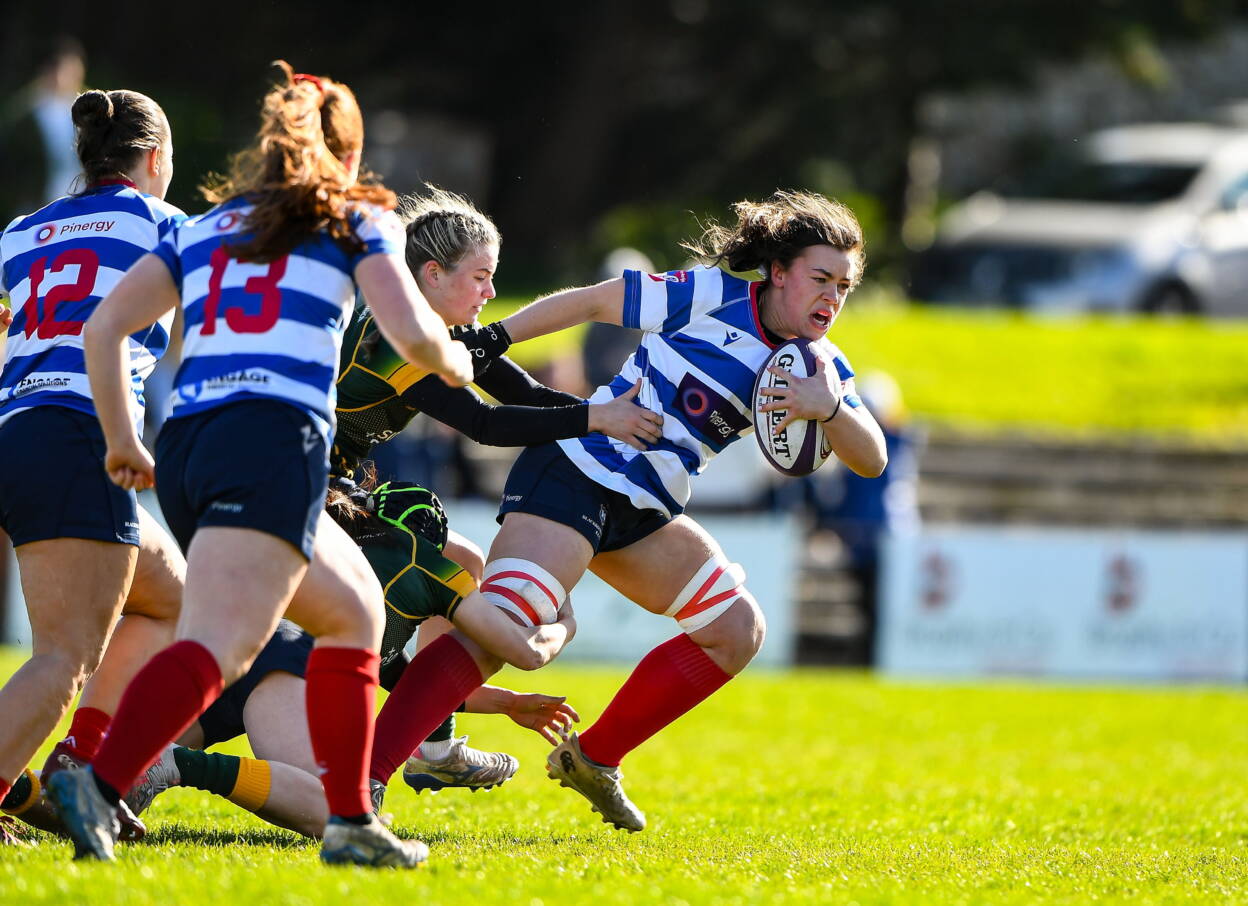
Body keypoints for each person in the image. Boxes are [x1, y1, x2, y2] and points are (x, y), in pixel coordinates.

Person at [46, 62, 474, 868]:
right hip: (271, 440)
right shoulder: (356, 216)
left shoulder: (204, 225)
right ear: (344, 155)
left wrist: (121, 440)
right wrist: (455, 364)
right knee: (219, 645)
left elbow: (103, 330)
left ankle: (350, 820)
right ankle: (95, 782)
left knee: (353, 613)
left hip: (191, 445)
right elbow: (414, 337)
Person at [372, 190, 888, 832]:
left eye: (844, 286)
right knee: (503, 623)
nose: (832, 298)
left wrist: (829, 407)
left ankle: (593, 759)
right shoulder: (712, 294)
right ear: (778, 271)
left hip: (647, 508)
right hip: (581, 468)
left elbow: (872, 458)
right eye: (821, 278)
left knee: (735, 632)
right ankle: (366, 778)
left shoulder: (822, 368)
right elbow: (593, 301)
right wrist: (491, 339)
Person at [329, 186, 661, 803]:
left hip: (339, 489)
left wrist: (614, 417)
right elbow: (484, 424)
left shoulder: (435, 326)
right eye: (481, 277)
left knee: (462, 565)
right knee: (429, 593)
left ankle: (431, 748)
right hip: (315, 496)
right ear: (432, 274)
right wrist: (597, 420)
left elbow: (529, 397)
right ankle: (381, 770)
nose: (488, 294)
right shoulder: (395, 333)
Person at [0, 87, 186, 836]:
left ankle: (77, 764)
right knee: (66, 654)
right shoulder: (166, 223)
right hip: (82, 433)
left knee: (169, 596)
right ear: (152, 158)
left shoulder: (17, 232)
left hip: (18, 431)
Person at [7, 620, 579, 840]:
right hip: (278, 657)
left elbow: (398, 673)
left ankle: (22, 789)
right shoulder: (421, 553)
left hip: (207, 644)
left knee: (107, 789)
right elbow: (416, 667)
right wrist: (561, 627)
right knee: (343, 813)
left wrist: (504, 704)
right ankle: (179, 767)